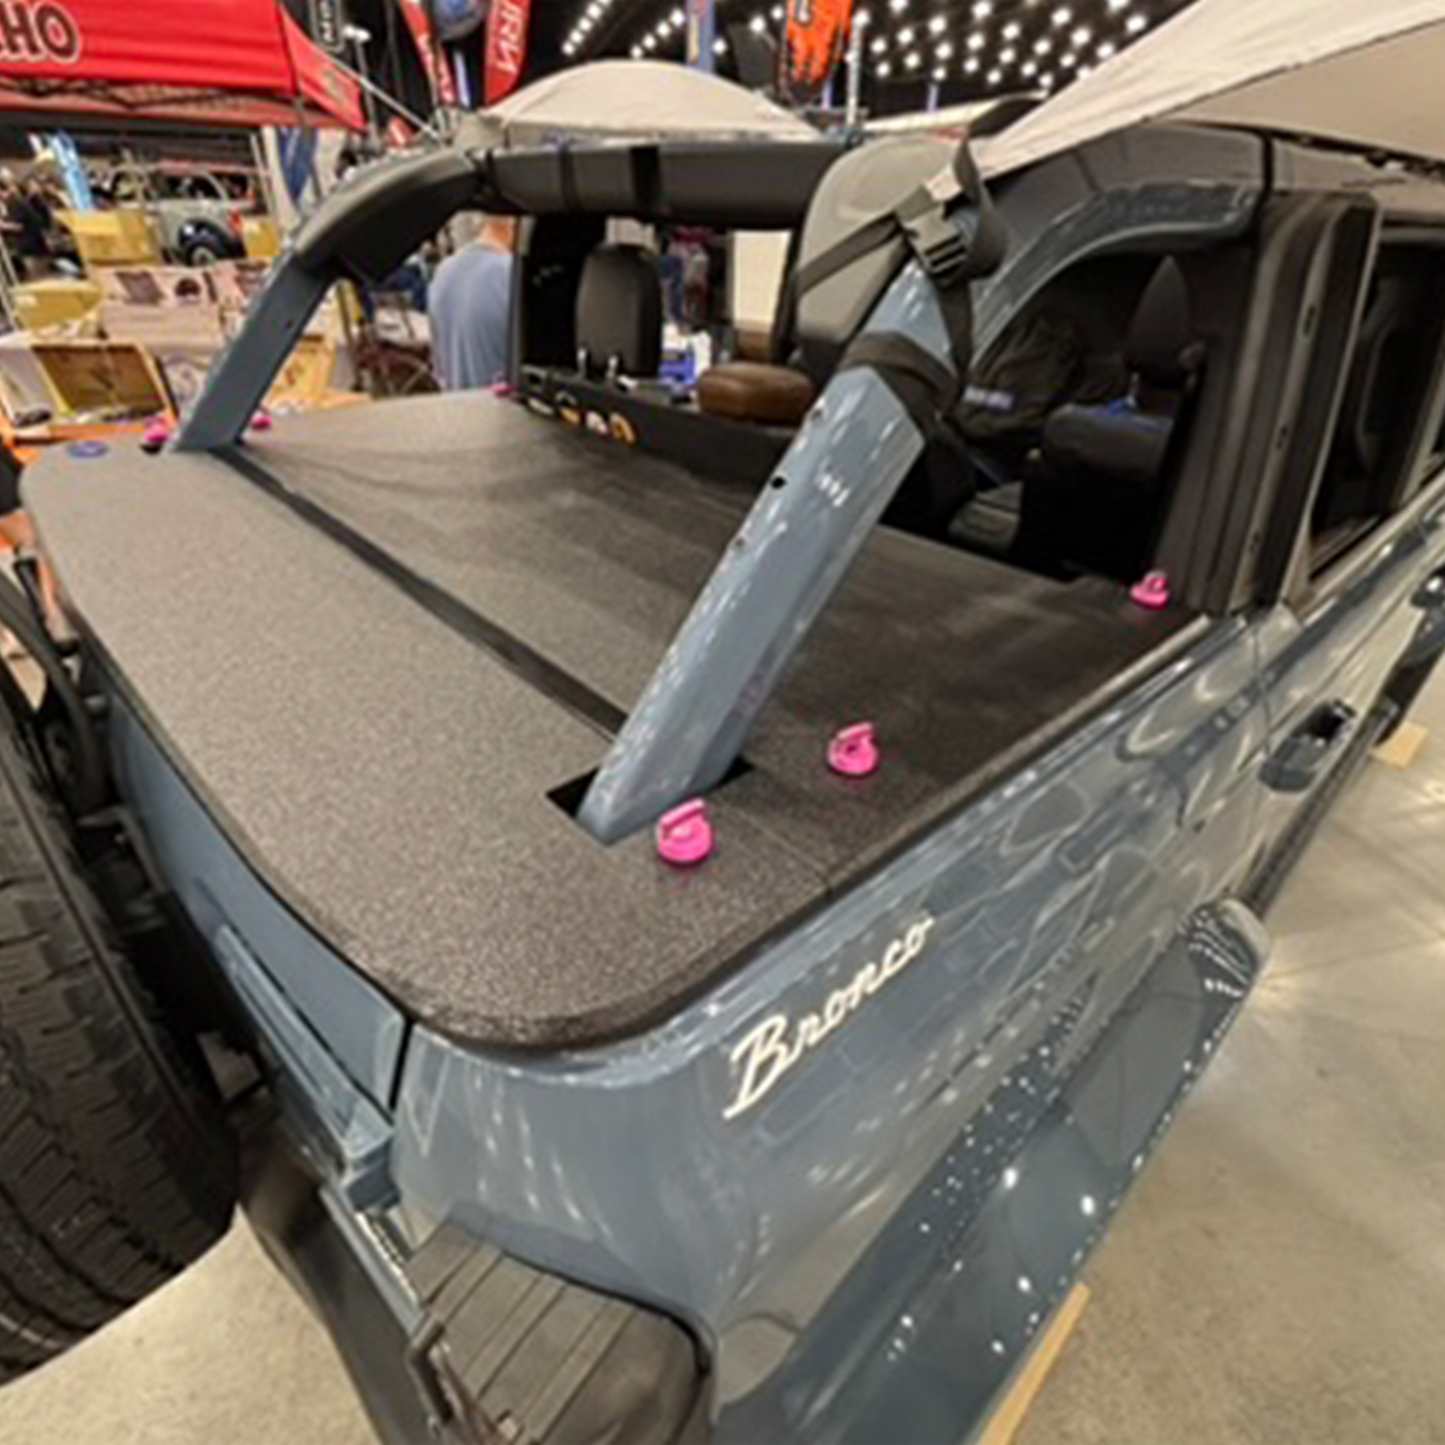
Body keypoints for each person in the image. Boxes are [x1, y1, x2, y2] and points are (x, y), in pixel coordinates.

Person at [427, 215, 517, 390]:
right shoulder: (514, 276)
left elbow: (440, 369)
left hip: (460, 412)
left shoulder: (443, 273)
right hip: (505, 415)